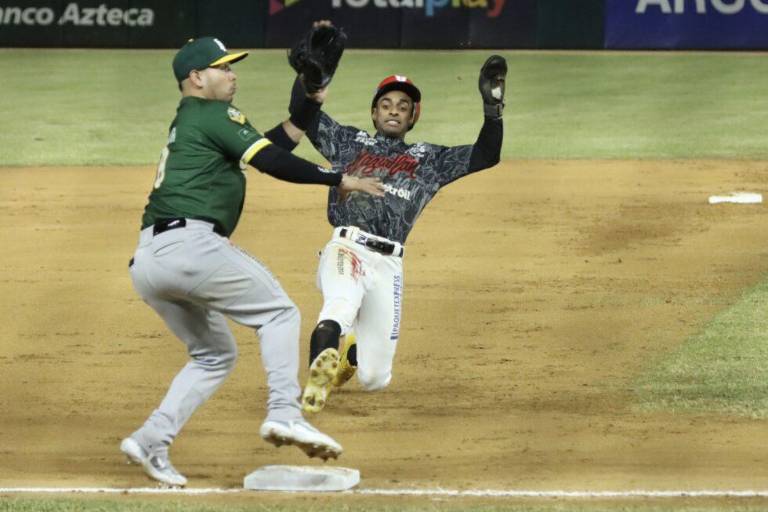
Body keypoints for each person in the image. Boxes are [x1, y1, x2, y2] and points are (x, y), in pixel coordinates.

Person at [120, 36, 384, 487]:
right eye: (222, 68)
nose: (232, 74)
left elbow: (275, 142)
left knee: (213, 355)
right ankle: (284, 412)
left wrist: (310, 102)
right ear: (196, 78)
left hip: (149, 262)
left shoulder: (196, 120)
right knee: (279, 313)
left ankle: (149, 440)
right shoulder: (212, 114)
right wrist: (340, 178)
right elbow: (273, 161)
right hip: (190, 247)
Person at [281, 27, 507, 414]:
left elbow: (486, 155)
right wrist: (310, 76)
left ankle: (351, 354)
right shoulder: (348, 142)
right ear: (374, 112)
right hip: (346, 248)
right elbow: (302, 113)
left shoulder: (430, 160)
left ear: (412, 117)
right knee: (338, 306)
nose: (393, 110)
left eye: (403, 106)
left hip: (389, 265)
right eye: (386, 104)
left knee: (375, 379)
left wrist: (492, 110)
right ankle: (317, 382)